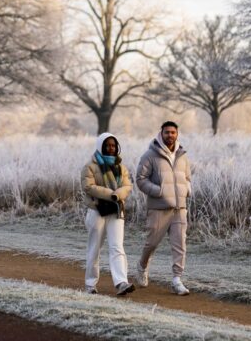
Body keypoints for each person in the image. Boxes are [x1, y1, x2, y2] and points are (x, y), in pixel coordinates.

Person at [134, 121, 192, 295]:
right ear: (161, 133)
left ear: (177, 134)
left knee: (180, 244)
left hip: (179, 208)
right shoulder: (149, 155)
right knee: (152, 243)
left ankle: (177, 280)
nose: (170, 136)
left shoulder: (182, 155)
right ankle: (142, 266)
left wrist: (187, 190)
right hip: (159, 208)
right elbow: (140, 179)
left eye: (173, 132)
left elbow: (187, 177)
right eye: (167, 132)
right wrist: (159, 191)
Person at [80, 132, 135, 296]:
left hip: (116, 211)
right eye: (107, 145)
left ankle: (121, 282)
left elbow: (127, 186)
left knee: (117, 247)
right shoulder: (90, 166)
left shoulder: (121, 167)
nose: (110, 148)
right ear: (100, 146)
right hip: (97, 211)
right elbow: (88, 187)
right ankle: (90, 284)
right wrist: (111, 194)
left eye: (113, 145)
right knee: (94, 248)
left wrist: (117, 196)